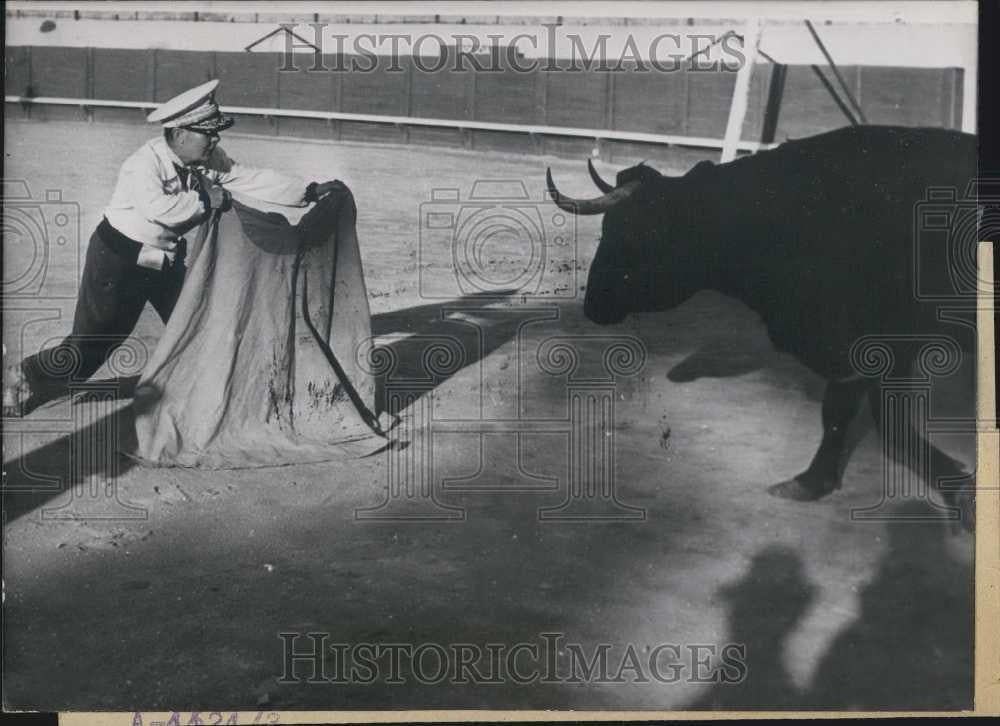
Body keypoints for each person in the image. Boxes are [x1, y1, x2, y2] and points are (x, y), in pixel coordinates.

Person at [3, 79, 342, 417]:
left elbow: (247, 177)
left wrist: (307, 192)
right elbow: (158, 209)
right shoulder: (143, 163)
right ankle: (26, 375)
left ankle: (209, 399)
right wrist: (204, 200)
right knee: (91, 347)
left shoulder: (207, 158)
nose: (216, 139)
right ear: (180, 135)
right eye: (208, 133)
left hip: (163, 263)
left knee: (199, 320)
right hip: (117, 261)